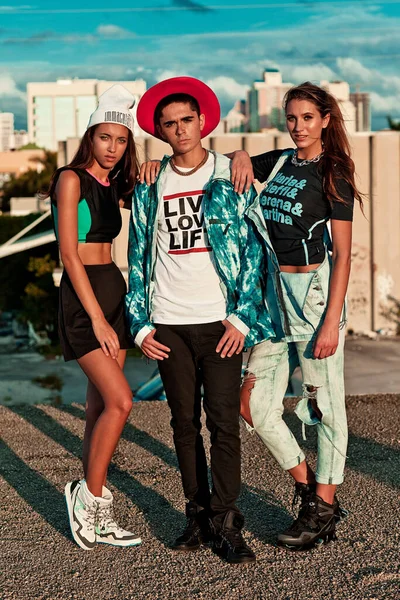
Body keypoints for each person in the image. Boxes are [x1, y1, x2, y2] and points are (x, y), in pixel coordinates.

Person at [125, 76, 273, 564]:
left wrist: (242, 319)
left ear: (203, 121)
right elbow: (138, 253)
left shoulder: (231, 175)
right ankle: (197, 516)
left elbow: (255, 251)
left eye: (187, 119)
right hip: (167, 323)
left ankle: (228, 521)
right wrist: (141, 325)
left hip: (220, 323)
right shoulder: (151, 183)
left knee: (224, 424)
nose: (180, 129)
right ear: (161, 132)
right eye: (169, 124)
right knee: (182, 424)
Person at [232, 82, 363, 550]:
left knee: (325, 405)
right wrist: (242, 154)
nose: (298, 127)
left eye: (307, 117)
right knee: (253, 405)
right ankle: (309, 487)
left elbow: (344, 255)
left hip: (313, 294)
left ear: (326, 119)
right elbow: (237, 162)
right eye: (291, 118)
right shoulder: (284, 160)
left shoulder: (335, 171)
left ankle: (322, 508)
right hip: (273, 296)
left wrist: (332, 321)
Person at [48, 84, 142, 551]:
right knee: (121, 402)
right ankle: (91, 502)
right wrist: (99, 321)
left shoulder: (114, 184)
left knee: (98, 406)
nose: (112, 147)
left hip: (113, 289)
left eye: (121, 140)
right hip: (84, 296)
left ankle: (92, 507)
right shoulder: (71, 179)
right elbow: (69, 253)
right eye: (105, 137)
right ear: (91, 136)